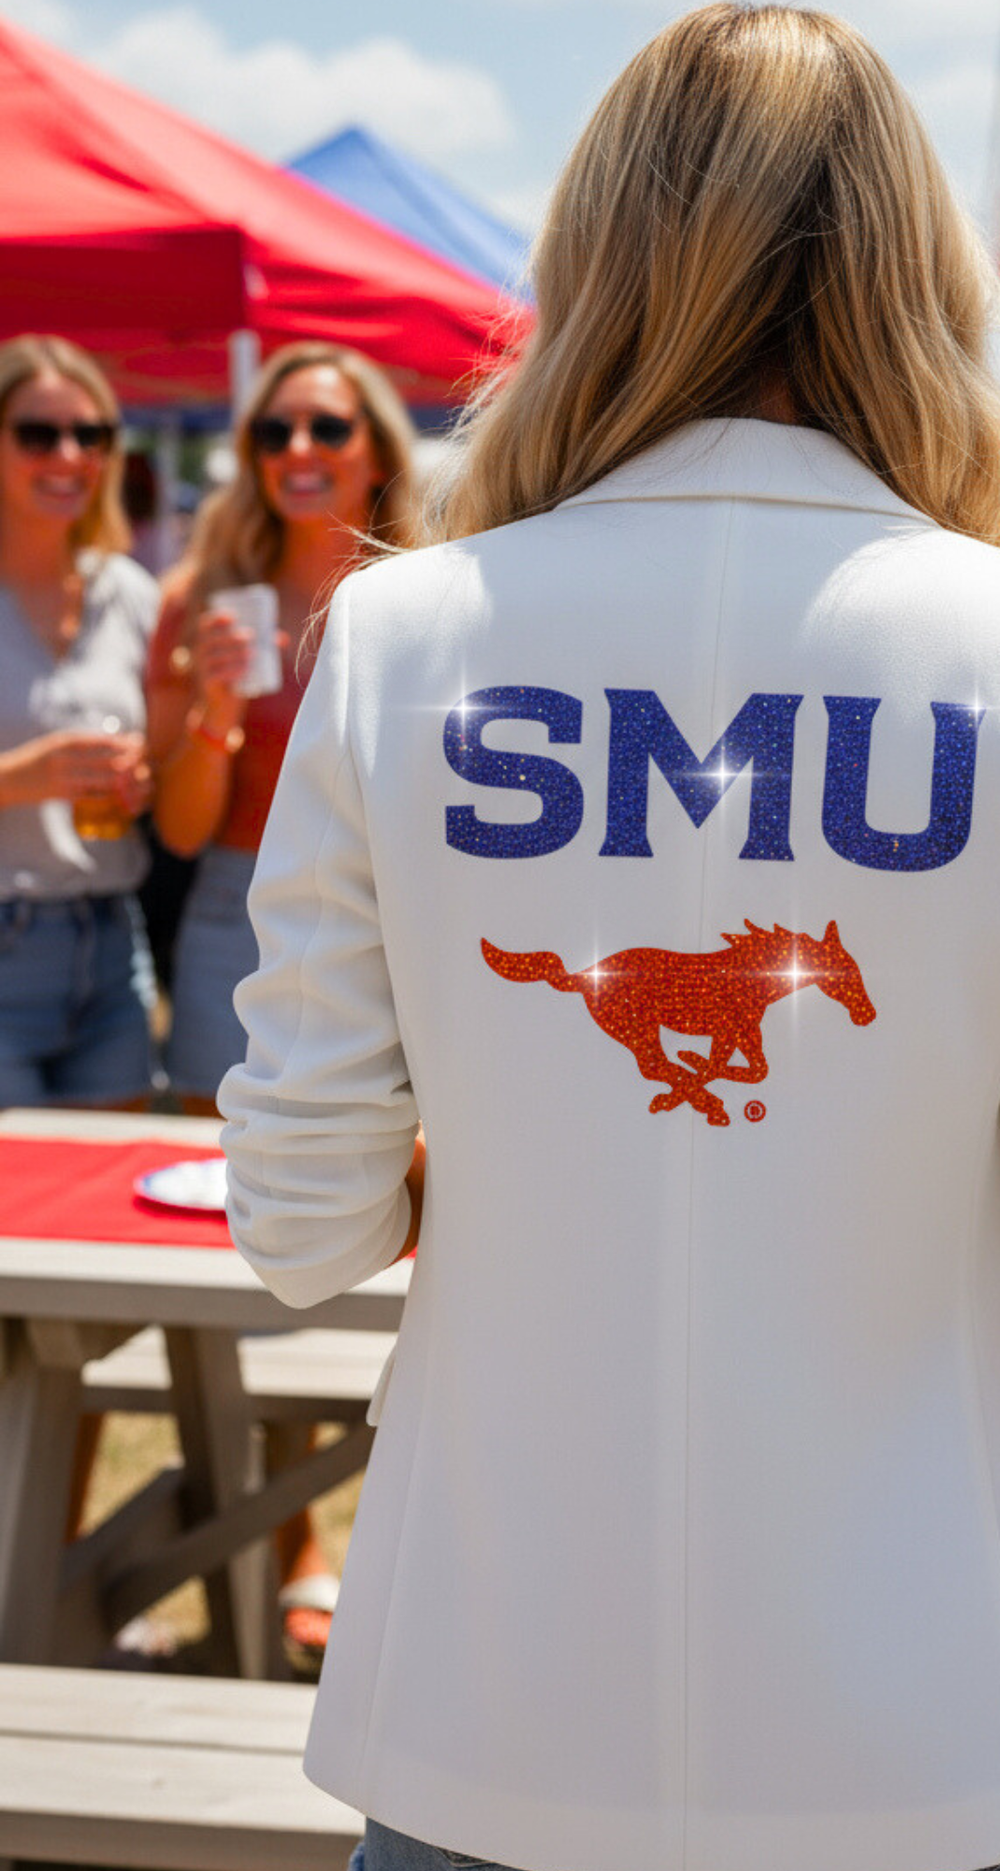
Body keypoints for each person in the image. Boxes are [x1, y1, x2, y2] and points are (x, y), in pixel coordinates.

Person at [221, 10, 1000, 1870]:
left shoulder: (402, 635)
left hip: (491, 1713)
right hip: (943, 1725)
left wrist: (523, 1148)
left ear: (592, 263)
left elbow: (300, 1226)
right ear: (922, 276)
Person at [145, 340, 417, 1665]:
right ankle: (292, 1541)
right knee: (256, 1220)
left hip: (398, 909)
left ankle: (375, 1530)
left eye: (327, 422)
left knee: (404, 1206)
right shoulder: (206, 596)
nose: (299, 448)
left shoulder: (432, 589)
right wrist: (204, 711)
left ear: (375, 442)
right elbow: (185, 828)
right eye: (273, 430)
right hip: (234, 904)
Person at [0, 334, 158, 1109]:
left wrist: (144, 779)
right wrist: (20, 779)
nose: (69, 455)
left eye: (90, 435)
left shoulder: (127, 591)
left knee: (107, 1201)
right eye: (38, 433)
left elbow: (159, 760)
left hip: (109, 942)